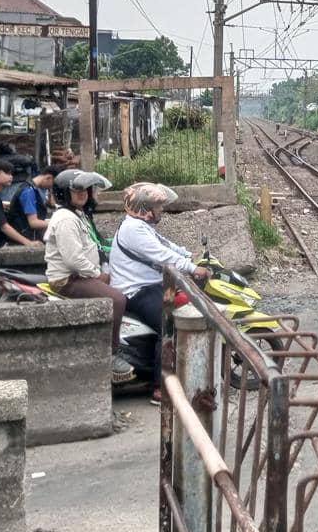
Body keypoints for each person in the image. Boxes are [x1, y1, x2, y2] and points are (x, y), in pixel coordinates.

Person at [109, 182, 210, 405]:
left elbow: (166, 245)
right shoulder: (133, 230)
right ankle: (161, 389)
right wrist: (192, 268)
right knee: (169, 326)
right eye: (158, 207)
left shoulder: (140, 226)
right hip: (136, 291)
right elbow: (161, 255)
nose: (161, 210)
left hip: (151, 285)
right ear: (145, 209)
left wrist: (188, 254)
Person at [45, 169, 134, 383]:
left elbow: (95, 245)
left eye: (85, 189)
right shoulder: (66, 218)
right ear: (64, 193)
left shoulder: (79, 214)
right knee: (117, 299)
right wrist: (97, 275)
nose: (82, 193)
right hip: (68, 280)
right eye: (76, 190)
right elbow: (73, 259)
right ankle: (112, 354)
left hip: (82, 275)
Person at [0, 159, 42, 249]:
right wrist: (28, 242)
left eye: (11, 174)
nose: (11, 177)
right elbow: (4, 227)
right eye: (7, 173)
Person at [7, 165, 58, 241]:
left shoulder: (35, 189)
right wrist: (57, 223)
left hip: (31, 236)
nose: (51, 188)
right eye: (53, 185)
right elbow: (33, 223)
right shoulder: (28, 191)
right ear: (48, 178)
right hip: (24, 238)